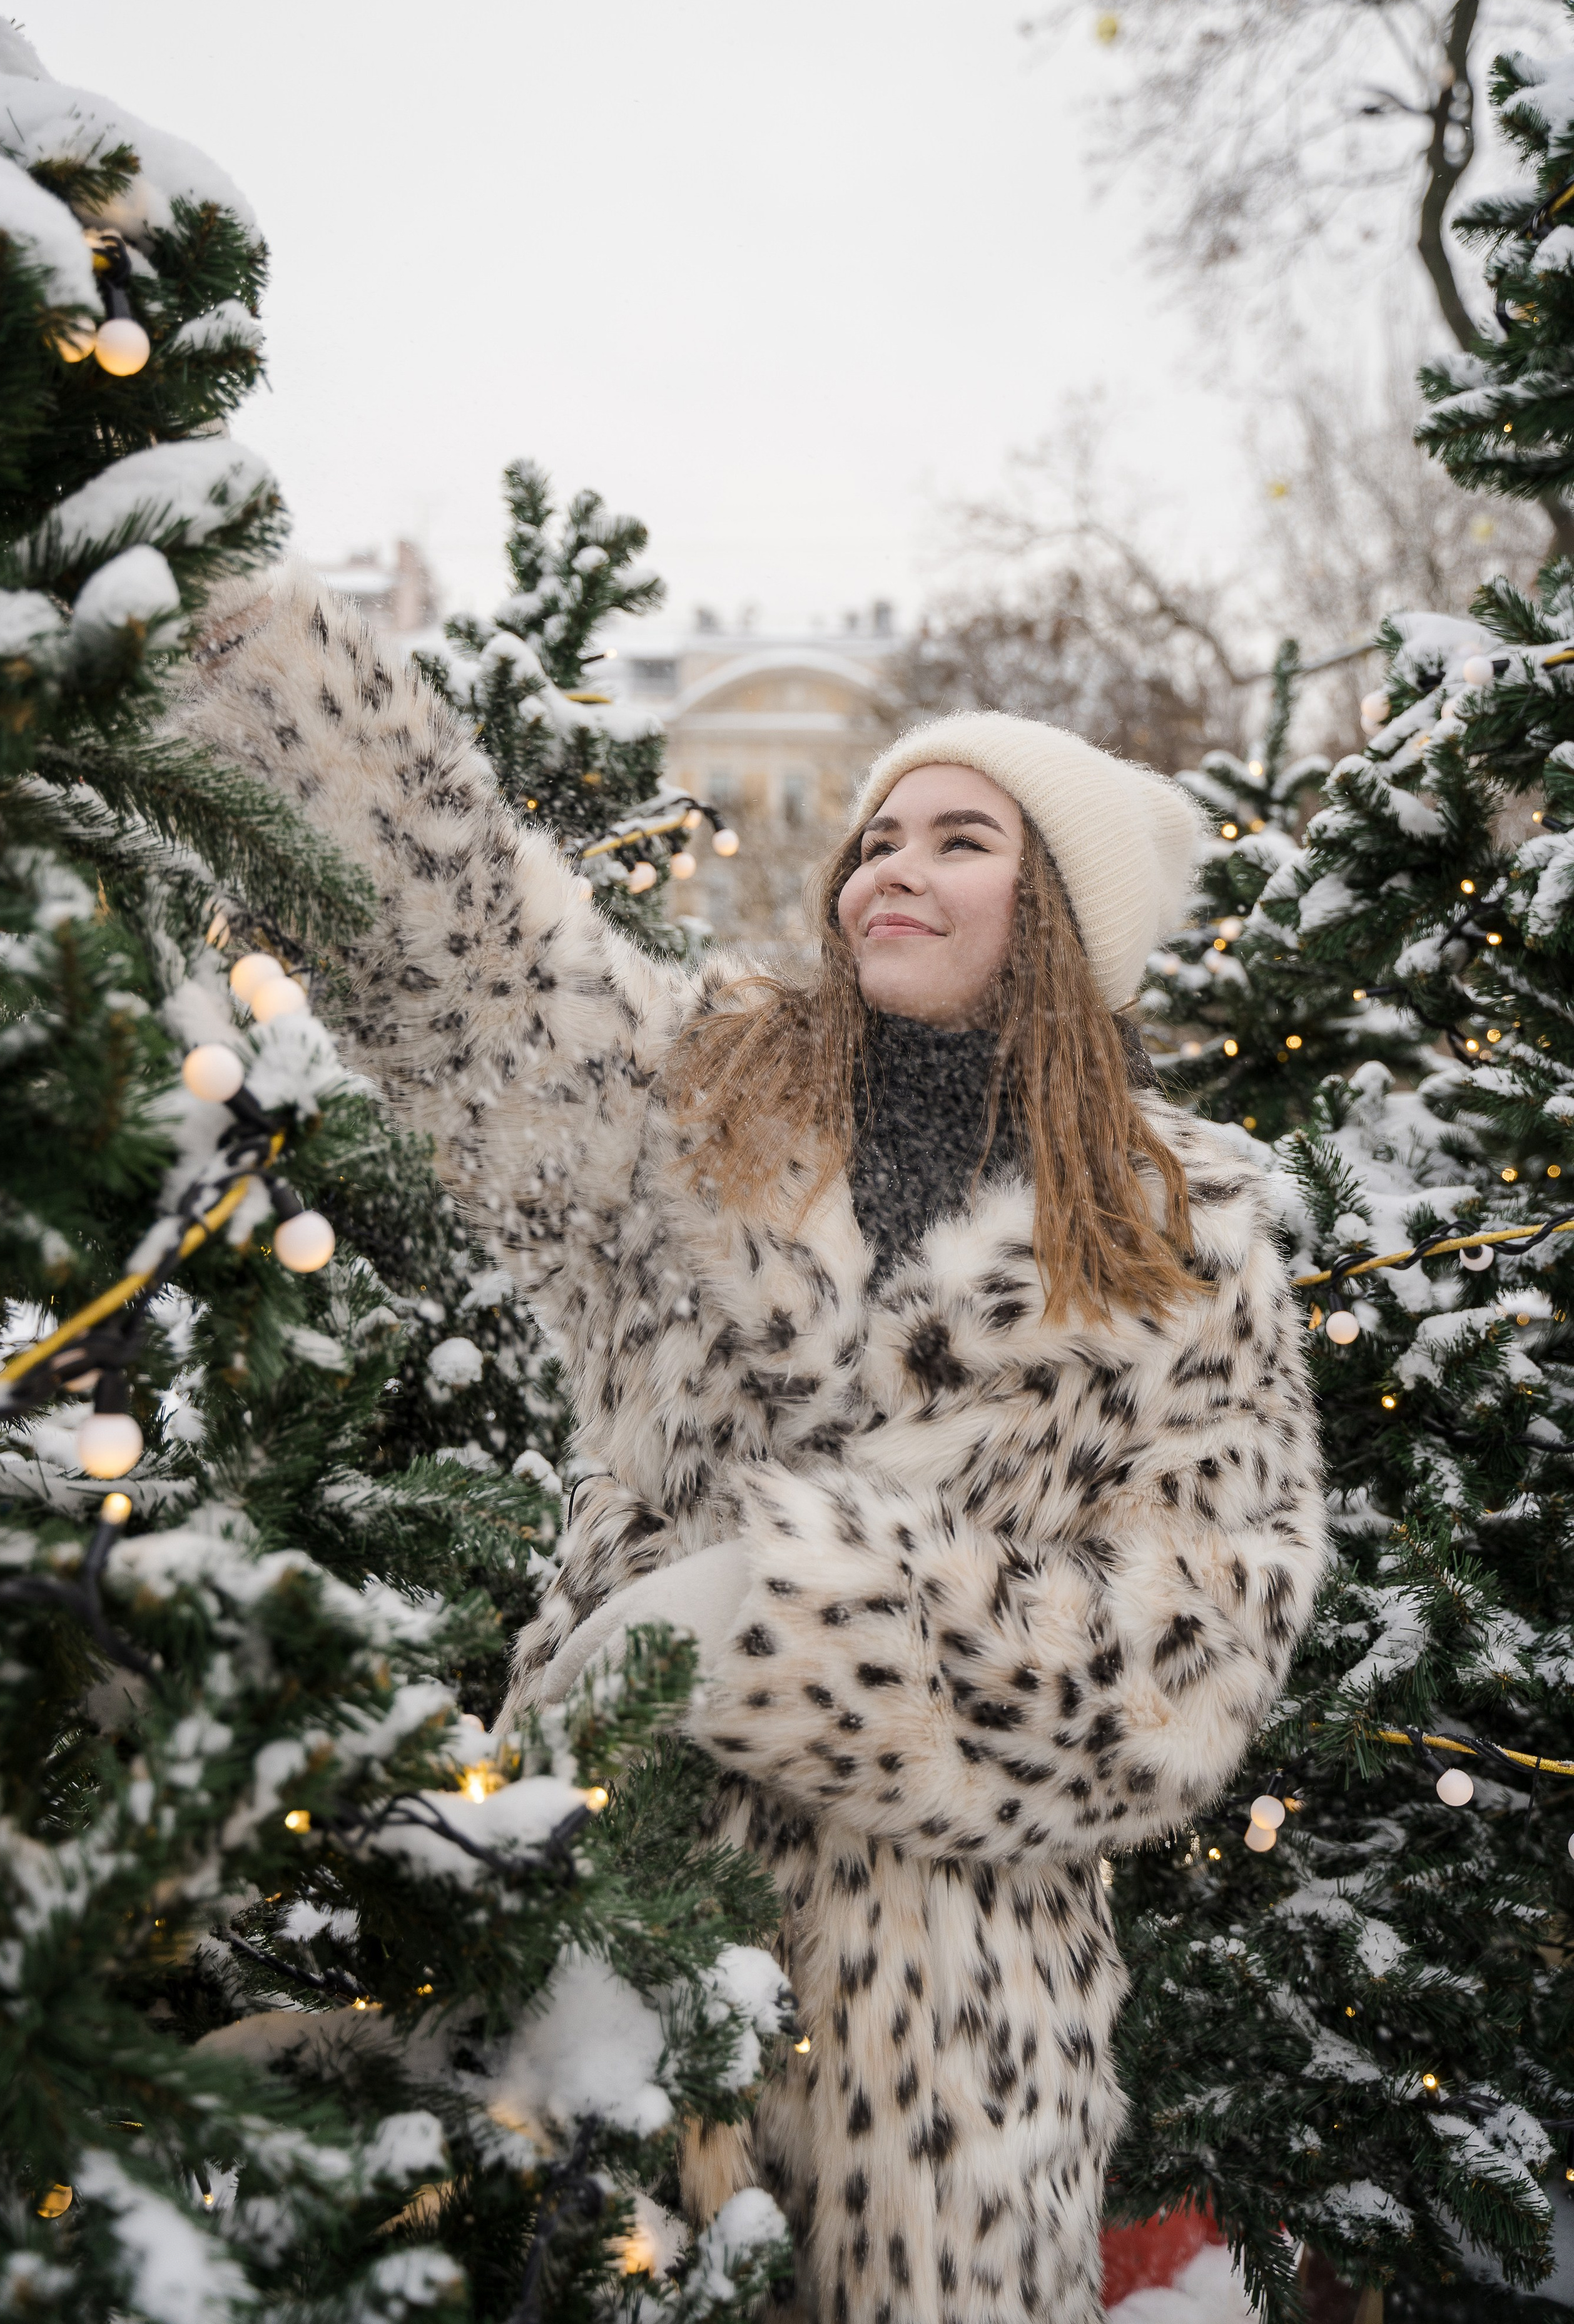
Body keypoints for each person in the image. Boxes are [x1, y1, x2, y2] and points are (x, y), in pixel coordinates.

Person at [178, 570, 1325, 2324]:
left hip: (943, 2074)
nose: (889, 863)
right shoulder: (710, 1100)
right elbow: (483, 980)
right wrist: (295, 695)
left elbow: (1180, 1677)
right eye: (875, 833)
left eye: (960, 837)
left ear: (1066, 910)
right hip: (607, 1967)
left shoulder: (1195, 1234)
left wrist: (774, 1619)